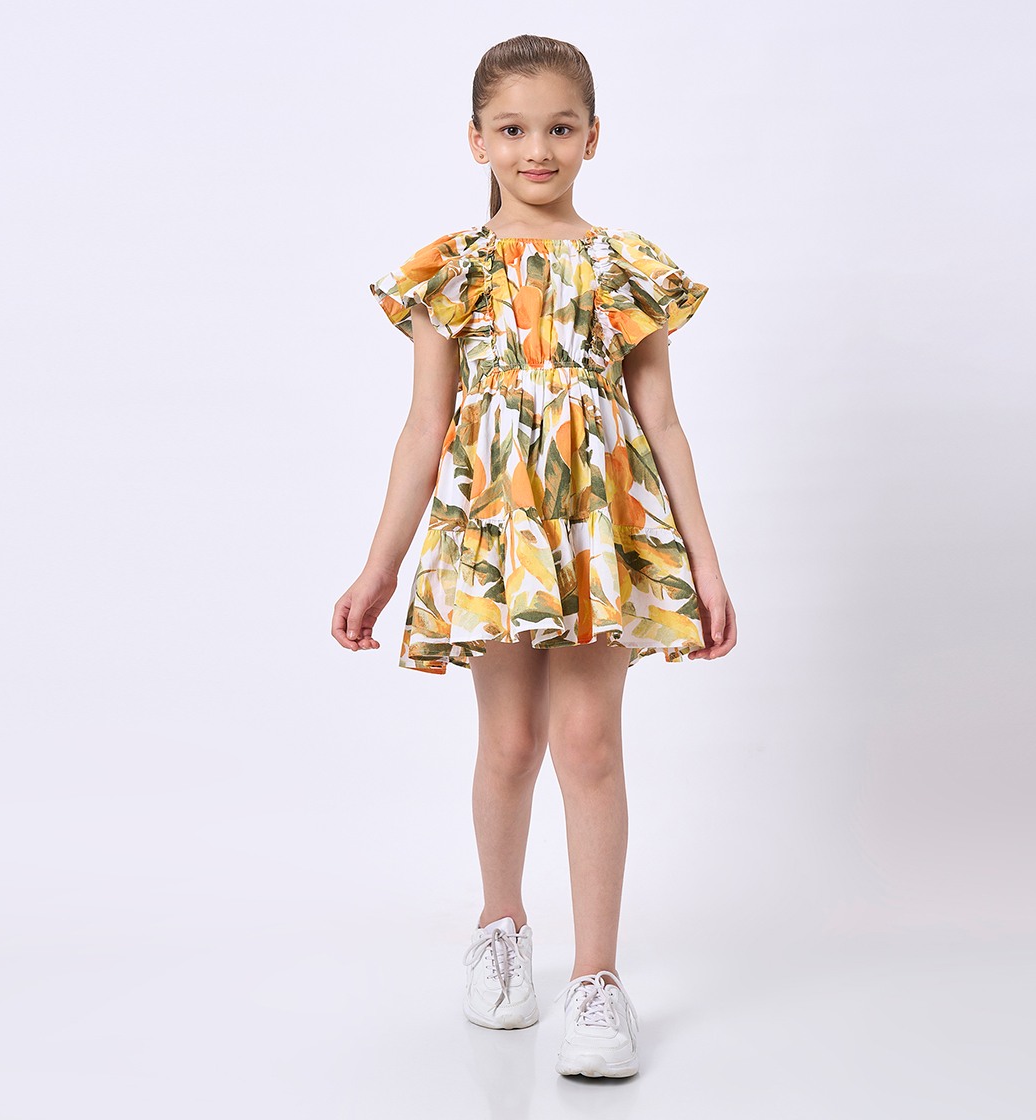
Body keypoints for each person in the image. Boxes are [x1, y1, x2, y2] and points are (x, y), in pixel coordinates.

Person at [332, 33, 736, 1079]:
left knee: (588, 744)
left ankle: (597, 980)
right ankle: (501, 929)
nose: (537, 149)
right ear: (477, 140)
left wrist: (705, 562)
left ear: (593, 137)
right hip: (493, 533)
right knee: (510, 744)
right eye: (512, 129)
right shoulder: (453, 270)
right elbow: (423, 430)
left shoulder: (623, 266)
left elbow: (664, 423)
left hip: (599, 533)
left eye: (559, 127)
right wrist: (379, 566)